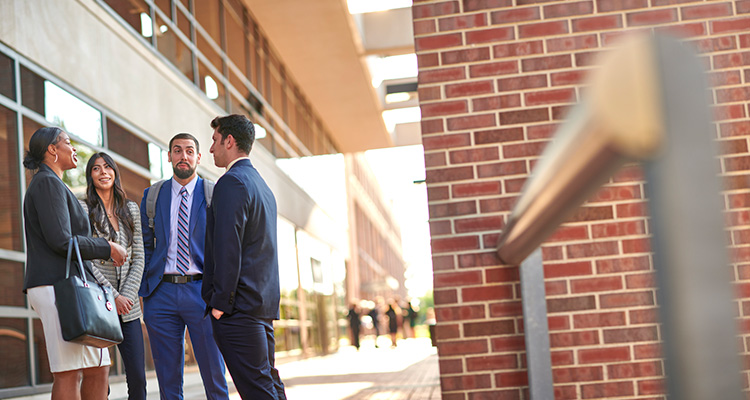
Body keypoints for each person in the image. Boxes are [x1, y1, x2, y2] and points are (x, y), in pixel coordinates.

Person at [22, 127, 127, 399]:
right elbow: (61, 240)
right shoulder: (46, 183)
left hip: (70, 286)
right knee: (69, 371)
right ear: (52, 150)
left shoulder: (55, 184)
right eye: (68, 143)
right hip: (57, 286)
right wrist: (106, 247)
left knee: (98, 368)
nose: (74, 148)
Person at [203, 114, 286, 399]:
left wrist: (220, 304)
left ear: (229, 141)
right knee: (268, 384)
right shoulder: (262, 186)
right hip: (260, 306)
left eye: (215, 140)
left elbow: (229, 247)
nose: (211, 148)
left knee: (258, 390)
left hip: (238, 310)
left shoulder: (232, 182)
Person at [139, 133, 229, 399]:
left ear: (198, 157)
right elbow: (144, 245)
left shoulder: (214, 193)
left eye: (189, 151)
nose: (183, 156)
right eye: (177, 150)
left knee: (214, 374)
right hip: (161, 294)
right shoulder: (153, 195)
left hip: (202, 293)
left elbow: (225, 247)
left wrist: (221, 294)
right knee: (167, 381)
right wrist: (147, 290)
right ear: (169, 156)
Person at [81, 152, 146, 400]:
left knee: (138, 378)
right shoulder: (84, 209)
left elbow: (139, 257)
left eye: (107, 167)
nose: (103, 172)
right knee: (100, 378)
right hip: (99, 304)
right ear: (90, 176)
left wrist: (125, 297)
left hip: (128, 308)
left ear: (115, 172)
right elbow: (85, 259)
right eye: (96, 168)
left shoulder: (130, 209)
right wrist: (113, 296)